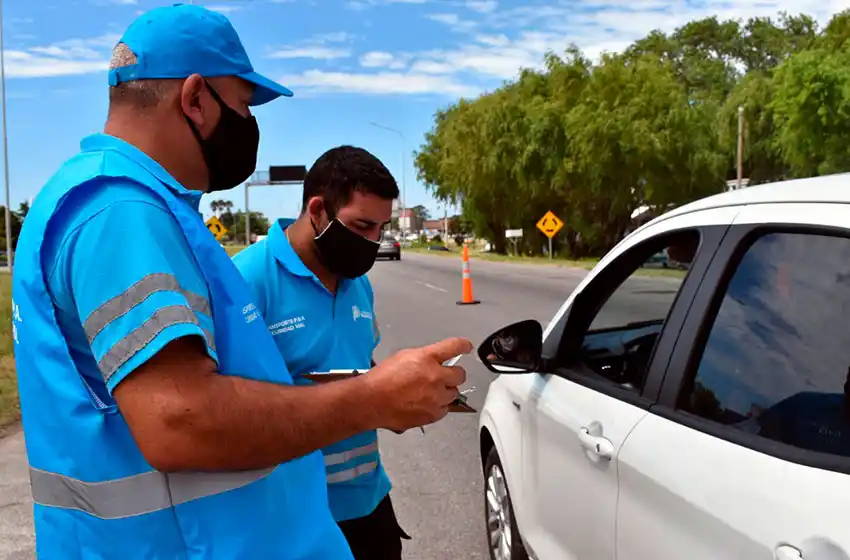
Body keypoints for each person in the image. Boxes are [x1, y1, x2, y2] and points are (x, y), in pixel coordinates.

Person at [11, 5, 470, 559]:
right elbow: (179, 421)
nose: (249, 126)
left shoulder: (120, 202)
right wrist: (372, 399)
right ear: (196, 98)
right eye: (245, 105)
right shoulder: (121, 210)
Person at [234, 145, 407, 559]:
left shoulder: (356, 282)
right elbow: (229, 402)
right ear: (317, 210)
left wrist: (398, 398)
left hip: (369, 506)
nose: (373, 243)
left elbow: (360, 366)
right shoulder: (248, 279)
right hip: (291, 518)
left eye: (381, 229)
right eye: (362, 226)